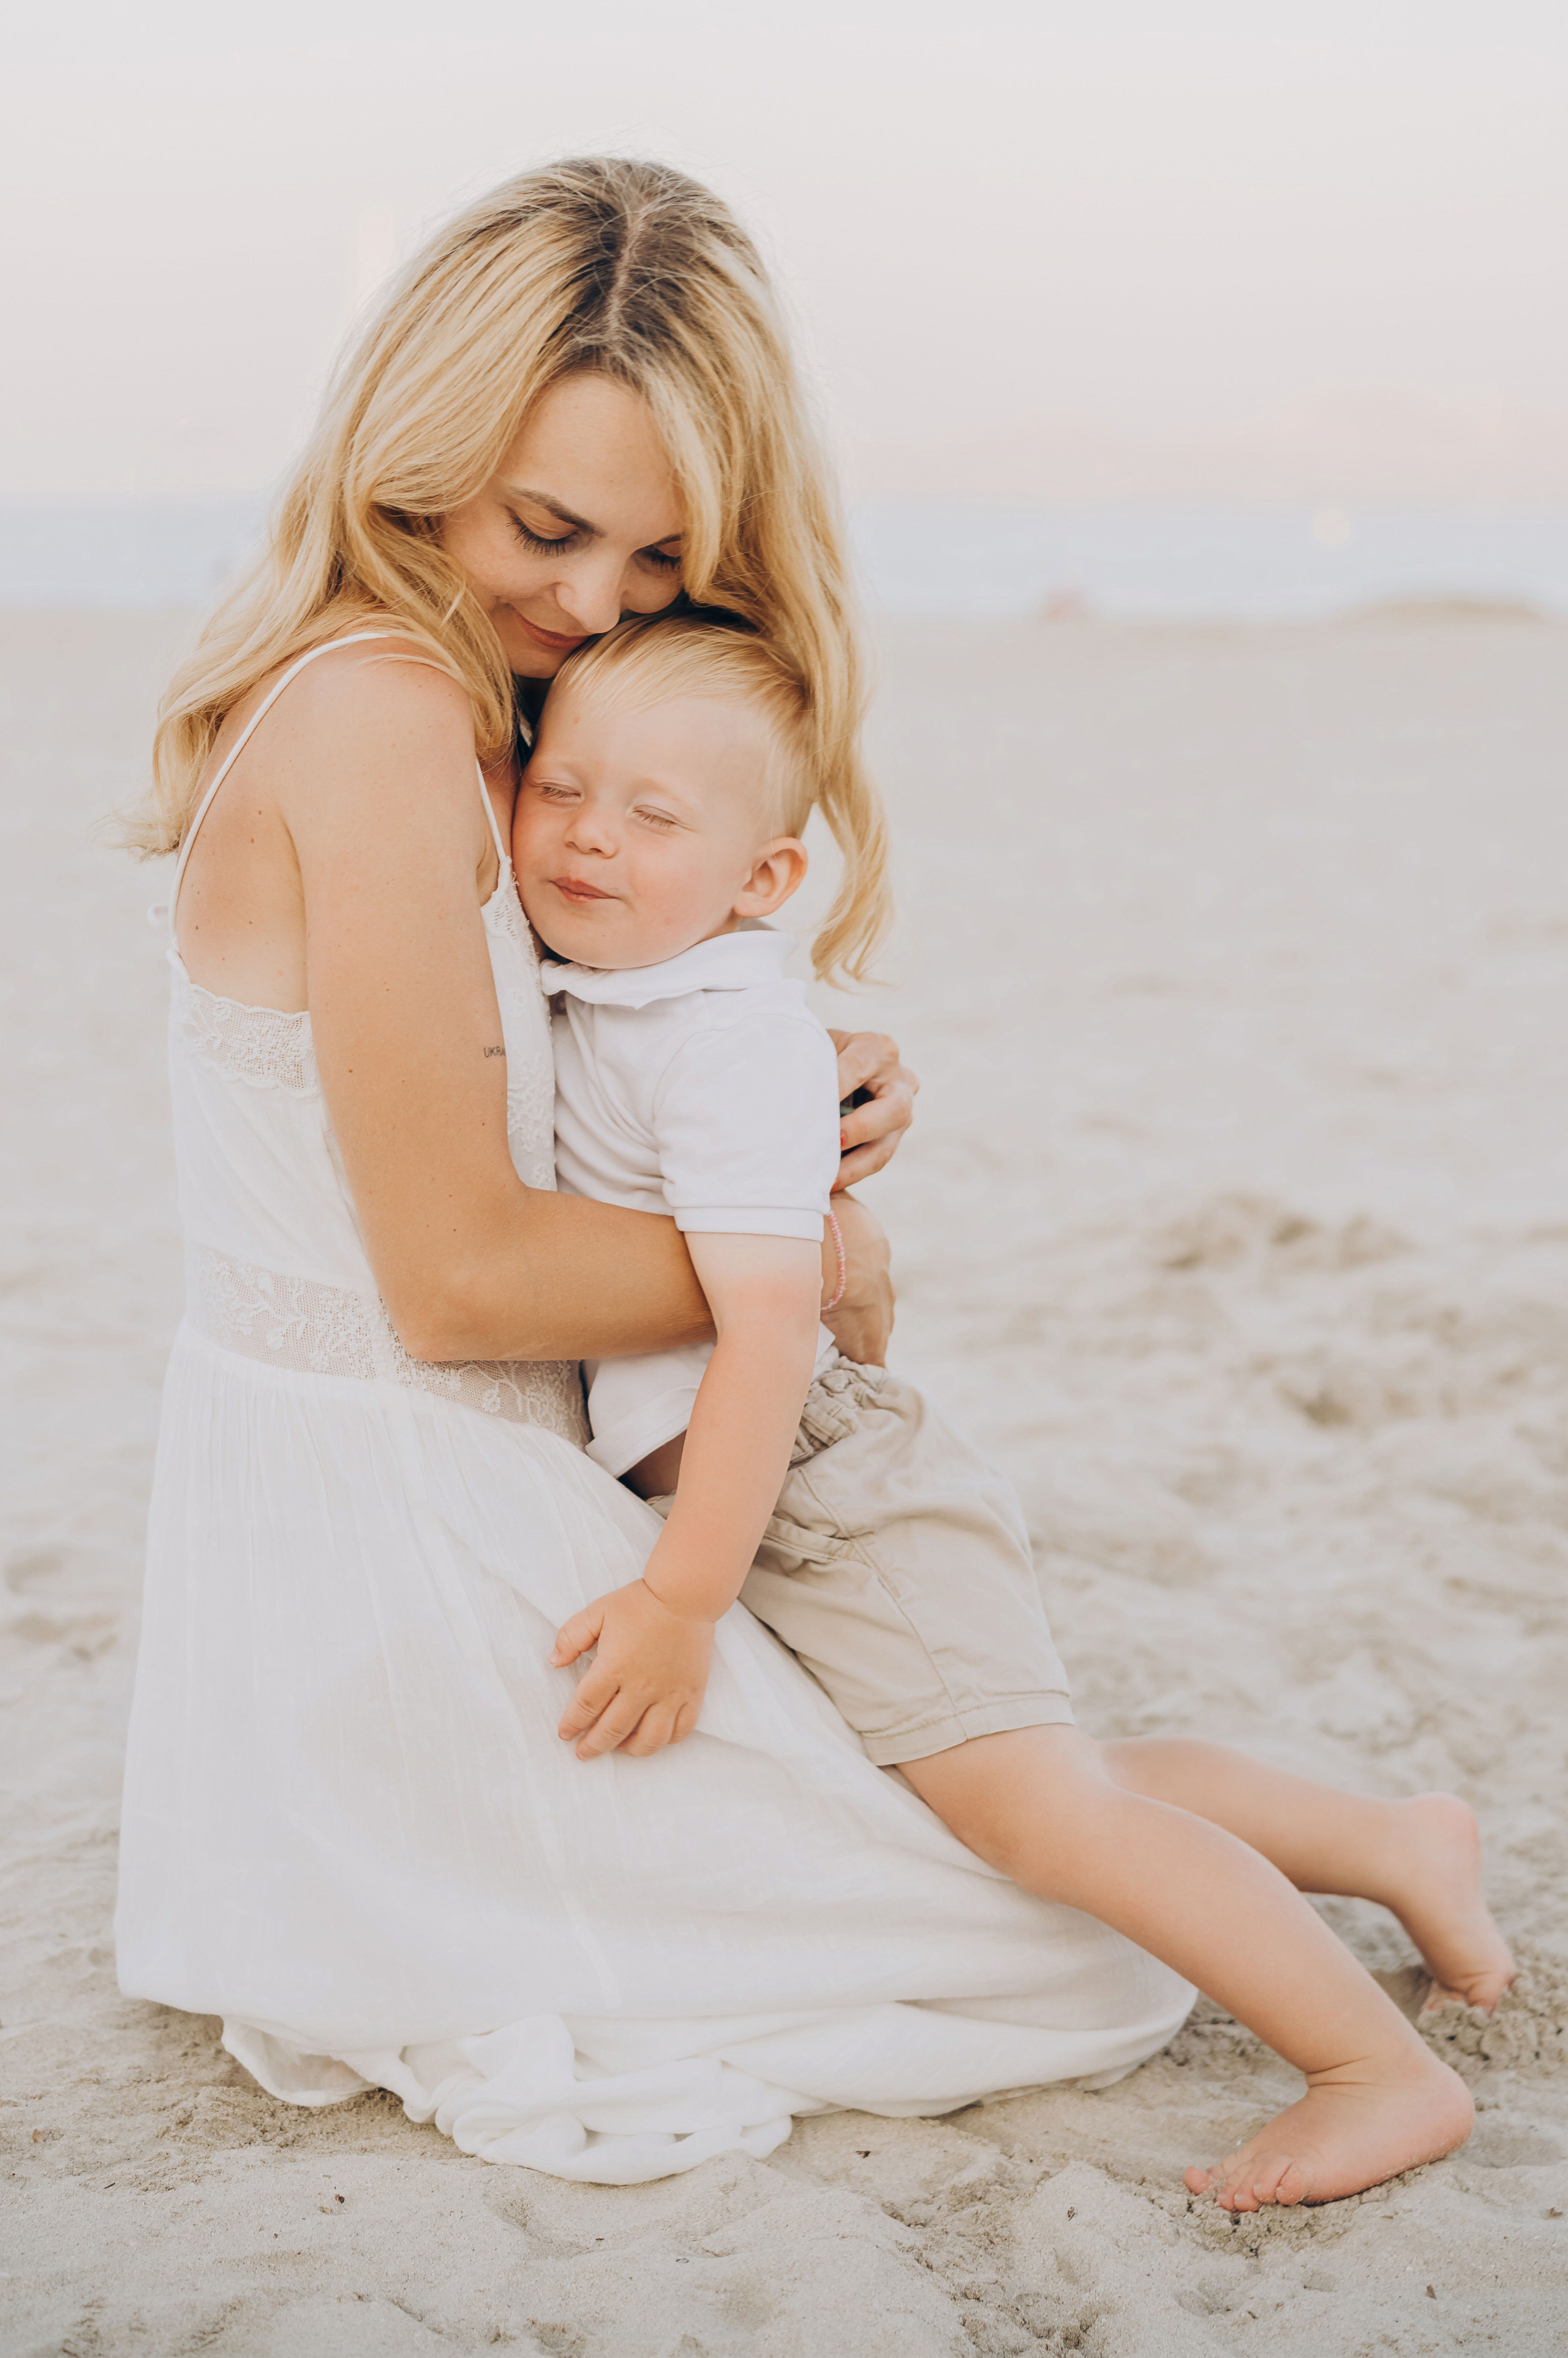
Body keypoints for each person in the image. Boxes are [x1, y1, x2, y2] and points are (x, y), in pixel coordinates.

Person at [115, 157, 1201, 2188]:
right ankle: (1354, 1837)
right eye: (549, 529)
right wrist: (801, 1250)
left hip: (484, 1473)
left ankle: (1371, 1837)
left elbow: (541, 1071)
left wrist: (781, 1082)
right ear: (414, 454)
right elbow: (452, 1277)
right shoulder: (382, 717)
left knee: (937, 1807)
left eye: (661, 555)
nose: (601, 601)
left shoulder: (502, 703)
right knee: (1021, 1942)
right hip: (394, 1522)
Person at [511, 610, 1514, 2212]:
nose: (588, 836)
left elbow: (769, 1324)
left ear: (764, 878)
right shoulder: (617, 990)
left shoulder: (721, 1038)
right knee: (1054, 1776)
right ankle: (1394, 1842)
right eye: (560, 787)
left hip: (827, 1496)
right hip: (780, 1487)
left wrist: (684, 1597)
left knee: (1041, 1819)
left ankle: (1373, 2069)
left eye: (653, 815)